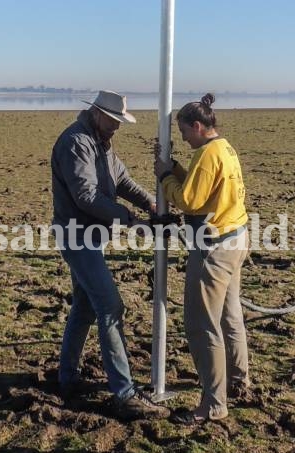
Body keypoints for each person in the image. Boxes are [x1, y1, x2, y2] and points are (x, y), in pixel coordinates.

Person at [51, 90, 169, 420]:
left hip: (91, 236)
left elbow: (120, 178)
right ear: (98, 113)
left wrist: (149, 202)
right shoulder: (77, 143)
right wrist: (130, 220)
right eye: (115, 120)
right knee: (110, 306)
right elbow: (86, 196)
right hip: (78, 238)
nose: (118, 127)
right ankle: (124, 393)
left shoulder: (101, 141)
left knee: (85, 305)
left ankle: (68, 377)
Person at [154, 93, 251, 424]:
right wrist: (176, 168)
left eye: (184, 131)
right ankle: (239, 381)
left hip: (215, 249)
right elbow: (203, 187)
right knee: (230, 316)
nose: (182, 137)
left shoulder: (208, 153)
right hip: (237, 237)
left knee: (201, 325)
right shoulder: (224, 148)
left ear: (198, 126)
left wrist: (165, 177)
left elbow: (190, 201)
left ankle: (214, 404)